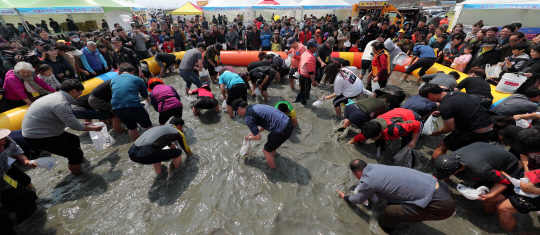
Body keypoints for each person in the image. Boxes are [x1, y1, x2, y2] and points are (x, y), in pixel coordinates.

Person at [337, 160, 455, 234]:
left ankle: (388, 230)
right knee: (397, 206)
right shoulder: (377, 167)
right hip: (442, 188)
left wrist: (346, 197)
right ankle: (408, 217)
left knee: (389, 212)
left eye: (356, 176)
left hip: (440, 205)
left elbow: (359, 199)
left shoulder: (369, 181)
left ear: (358, 173)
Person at [22, 80, 103, 175]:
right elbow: (75, 126)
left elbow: (69, 121)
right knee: (75, 154)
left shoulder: (57, 96)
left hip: (43, 130)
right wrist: (95, 128)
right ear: (73, 91)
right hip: (38, 136)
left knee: (74, 139)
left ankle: (81, 162)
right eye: (80, 92)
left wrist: (83, 124)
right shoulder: (61, 103)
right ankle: (79, 176)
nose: (80, 94)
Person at [433, 142, 519, 214]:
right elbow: (435, 178)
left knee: (488, 201)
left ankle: (487, 214)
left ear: (458, 170)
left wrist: (490, 195)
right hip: (483, 150)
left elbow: (505, 181)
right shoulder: (449, 159)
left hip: (509, 165)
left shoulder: (481, 170)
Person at [419, 84, 494, 160]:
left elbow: (449, 128)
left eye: (426, 98)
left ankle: (437, 167)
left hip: (475, 132)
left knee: (441, 146)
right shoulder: (458, 93)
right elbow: (462, 108)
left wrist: (437, 132)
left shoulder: (445, 106)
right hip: (489, 127)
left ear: (430, 94)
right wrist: (443, 114)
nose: (428, 100)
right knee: (467, 152)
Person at [232, 99, 294, 169]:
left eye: (237, 112)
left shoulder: (248, 117)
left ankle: (274, 170)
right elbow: (264, 122)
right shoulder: (254, 106)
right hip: (288, 122)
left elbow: (258, 137)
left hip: (283, 129)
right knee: (270, 137)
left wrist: (248, 138)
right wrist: (255, 132)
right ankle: (274, 156)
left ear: (239, 109)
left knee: (266, 151)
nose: (239, 114)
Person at [0, 129, 38, 235]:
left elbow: (4, 175)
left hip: (3, 179)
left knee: (28, 196)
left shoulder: (3, 149)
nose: (3, 150)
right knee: (4, 223)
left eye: (3, 145)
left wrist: (14, 185)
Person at [111, 63, 152, 141]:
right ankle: (153, 145)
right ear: (133, 71)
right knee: (148, 126)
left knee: (132, 128)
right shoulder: (137, 79)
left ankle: (138, 145)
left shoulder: (113, 80)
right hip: (132, 105)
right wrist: (147, 99)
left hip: (117, 107)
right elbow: (145, 95)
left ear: (120, 72)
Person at [348, 108, 422, 150]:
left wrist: (413, 141)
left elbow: (417, 124)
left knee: (406, 148)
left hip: (413, 117)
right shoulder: (372, 125)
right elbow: (361, 136)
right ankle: (381, 150)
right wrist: (350, 143)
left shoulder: (395, 130)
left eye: (372, 138)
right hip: (398, 112)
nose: (370, 139)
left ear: (380, 133)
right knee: (379, 143)